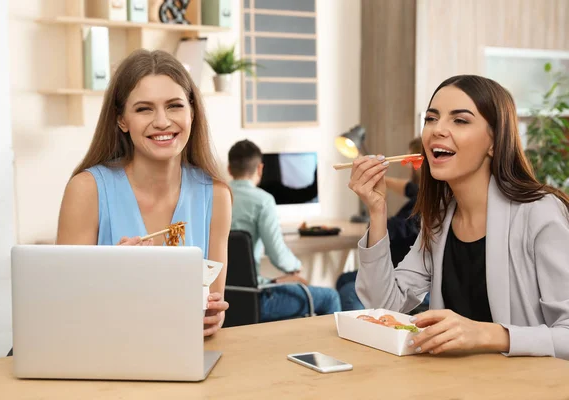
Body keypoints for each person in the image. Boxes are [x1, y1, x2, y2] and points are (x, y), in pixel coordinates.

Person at [350, 75, 569, 359]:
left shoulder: (540, 213)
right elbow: (384, 304)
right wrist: (377, 210)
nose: (437, 130)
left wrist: (490, 334)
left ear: (494, 141)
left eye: (460, 121)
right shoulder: (440, 217)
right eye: (431, 118)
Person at [56, 49, 232, 337]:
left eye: (174, 106)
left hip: (182, 358)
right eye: (144, 109)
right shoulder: (86, 190)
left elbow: (210, 305)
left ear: (192, 112)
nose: (162, 121)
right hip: (101, 358)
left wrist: (213, 319)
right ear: (122, 120)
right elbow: (59, 308)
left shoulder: (217, 195)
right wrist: (106, 273)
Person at [228, 139, 341, 321]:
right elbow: (277, 255)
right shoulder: (263, 201)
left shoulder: (213, 196)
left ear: (229, 169)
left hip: (220, 299)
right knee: (330, 297)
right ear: (260, 169)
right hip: (255, 298)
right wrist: (296, 267)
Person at [336, 137, 424, 311]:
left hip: (402, 274)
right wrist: (380, 178)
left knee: (349, 289)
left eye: (410, 159)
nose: (406, 164)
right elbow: (410, 188)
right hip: (396, 271)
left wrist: (378, 213)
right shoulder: (421, 194)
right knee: (344, 279)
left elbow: (395, 228)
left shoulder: (429, 206)